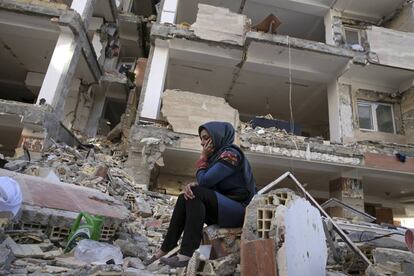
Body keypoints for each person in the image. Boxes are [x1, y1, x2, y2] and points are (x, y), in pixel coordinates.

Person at [149, 121, 256, 267]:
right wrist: (197, 184)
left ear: (217, 136)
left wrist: (202, 158)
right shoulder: (217, 158)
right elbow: (207, 183)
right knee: (184, 197)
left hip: (241, 211)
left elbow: (206, 181)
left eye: (206, 138)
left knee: (196, 193)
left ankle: (185, 255)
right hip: (226, 208)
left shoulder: (231, 155)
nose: (202, 143)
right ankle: (166, 249)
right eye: (201, 139)